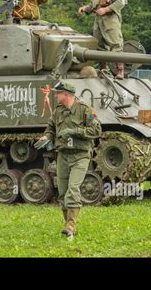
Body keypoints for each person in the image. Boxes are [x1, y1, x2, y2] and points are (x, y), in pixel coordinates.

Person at [34, 81, 101, 237]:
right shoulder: (58, 111)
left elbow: (97, 129)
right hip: (63, 155)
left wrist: (74, 131)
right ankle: (68, 225)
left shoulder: (84, 110)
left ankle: (71, 226)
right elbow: (50, 128)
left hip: (80, 156)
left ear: (66, 94)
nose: (55, 95)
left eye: (58, 93)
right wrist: (46, 137)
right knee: (63, 193)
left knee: (73, 189)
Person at [77, 0, 126, 79]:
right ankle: (103, 71)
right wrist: (85, 9)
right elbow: (94, 4)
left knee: (115, 45)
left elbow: (120, 2)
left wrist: (106, 10)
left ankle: (120, 71)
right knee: (100, 47)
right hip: (98, 22)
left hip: (111, 20)